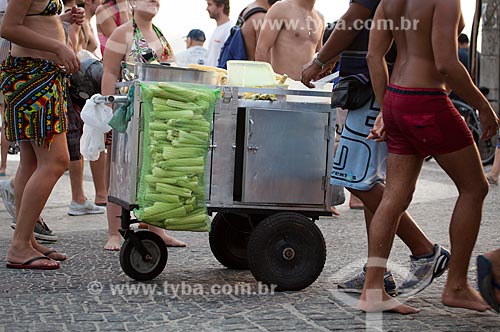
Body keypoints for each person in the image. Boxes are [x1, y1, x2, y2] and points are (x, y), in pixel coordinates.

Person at [301, 0, 451, 298]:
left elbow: (356, 16)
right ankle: (376, 273)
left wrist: (321, 59)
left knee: (351, 176)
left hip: (374, 84)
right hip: (382, 80)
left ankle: (424, 252)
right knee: (369, 180)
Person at [362, 0, 498, 314]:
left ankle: (372, 289)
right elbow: (446, 64)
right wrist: (483, 106)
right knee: (475, 187)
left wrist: (386, 108)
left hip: (397, 96)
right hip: (427, 100)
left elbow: (374, 56)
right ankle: (456, 286)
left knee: (394, 197)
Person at [1, 0, 81, 269]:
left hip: (38, 75)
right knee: (56, 161)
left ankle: (26, 240)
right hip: (33, 76)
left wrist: (63, 19)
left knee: (31, 163)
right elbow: (9, 27)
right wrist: (58, 46)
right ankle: (20, 246)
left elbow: (33, 20)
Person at [101, 0, 186, 251]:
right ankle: (114, 233)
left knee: (154, 172)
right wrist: (109, 108)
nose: (154, 1)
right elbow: (109, 72)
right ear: (133, 2)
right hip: (127, 114)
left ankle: (156, 228)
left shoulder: (159, 35)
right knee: (118, 175)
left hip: (157, 114)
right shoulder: (123, 32)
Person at [255, 0, 324, 81]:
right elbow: (262, 49)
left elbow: (319, 56)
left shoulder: (320, 18)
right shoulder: (281, 8)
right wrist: (267, 83)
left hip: (307, 88)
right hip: (282, 86)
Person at [205, 0, 233, 67]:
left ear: (221, 6)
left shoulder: (230, 29)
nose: (207, 8)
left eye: (210, 5)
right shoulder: (217, 29)